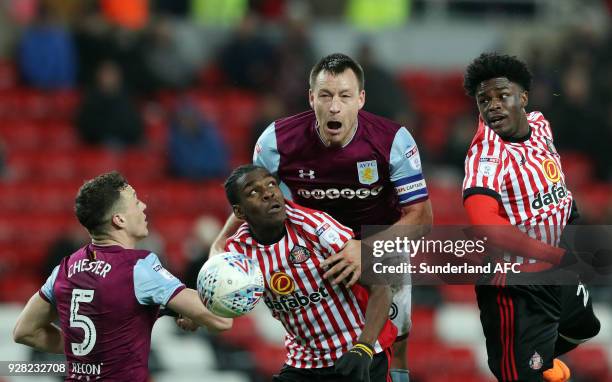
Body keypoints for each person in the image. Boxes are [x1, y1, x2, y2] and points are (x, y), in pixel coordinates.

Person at [211, 53, 433, 380]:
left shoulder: (393, 141)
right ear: (311, 97)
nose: (334, 107)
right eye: (326, 96)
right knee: (318, 331)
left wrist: (365, 250)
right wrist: (219, 245)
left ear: (360, 99)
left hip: (379, 241)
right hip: (315, 248)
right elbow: (253, 199)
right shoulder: (275, 142)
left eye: (344, 96)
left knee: (396, 339)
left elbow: (421, 219)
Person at [13, 171, 231, 381]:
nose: (143, 206)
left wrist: (85, 349)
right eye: (136, 202)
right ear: (119, 220)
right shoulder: (139, 267)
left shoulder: (65, 268)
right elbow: (220, 319)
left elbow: (24, 331)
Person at [462, 53, 601, 382]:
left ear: (523, 98)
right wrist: (556, 255)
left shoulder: (540, 125)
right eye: (484, 100)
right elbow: (485, 224)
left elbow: (557, 191)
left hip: (555, 267)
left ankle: (543, 360)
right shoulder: (487, 155)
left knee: (584, 327)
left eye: (501, 96)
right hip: (515, 288)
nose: (493, 105)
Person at [224, 165, 397, 381]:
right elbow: (220, 298)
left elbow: (381, 288)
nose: (268, 193)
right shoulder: (237, 252)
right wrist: (195, 315)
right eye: (253, 191)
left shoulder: (313, 227)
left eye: (271, 184)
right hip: (305, 361)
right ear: (240, 212)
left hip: (356, 350)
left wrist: (364, 347)